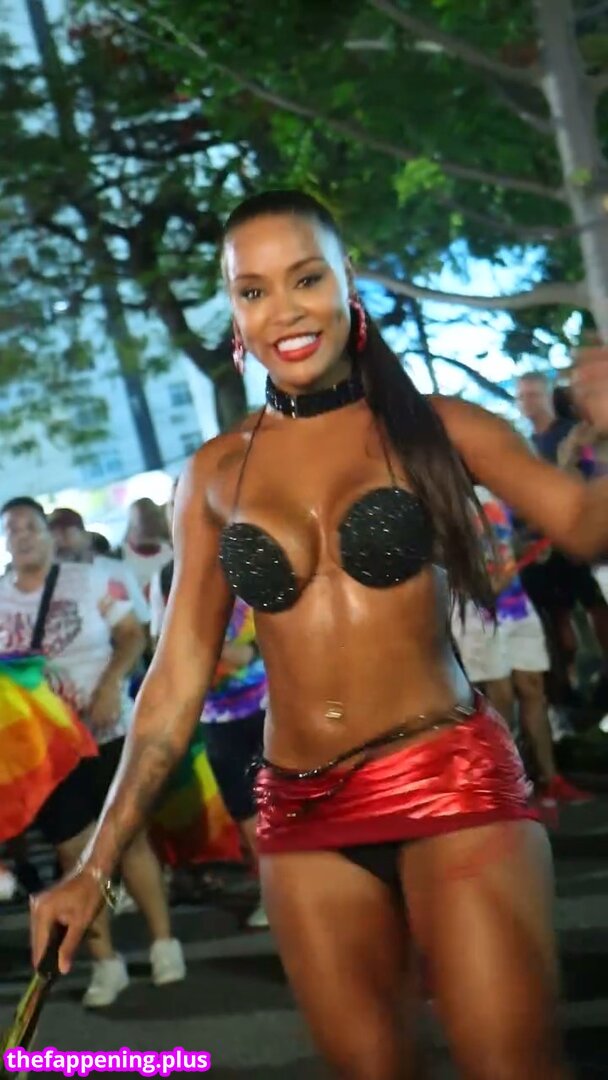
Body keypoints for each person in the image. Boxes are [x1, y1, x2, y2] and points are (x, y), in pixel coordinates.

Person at [31, 189, 608, 1080]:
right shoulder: (215, 473)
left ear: (347, 283)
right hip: (300, 815)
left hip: (449, 784)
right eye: (253, 291)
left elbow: (584, 526)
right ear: (234, 312)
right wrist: (94, 867)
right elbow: (176, 679)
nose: (285, 311)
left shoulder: (438, 427)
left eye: (306, 279)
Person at [1, 497, 185, 1007]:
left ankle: (164, 942)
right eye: (12, 529)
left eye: (31, 526)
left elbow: (131, 636)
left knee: (129, 839)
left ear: (47, 533)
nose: (23, 535)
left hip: (106, 731)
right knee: (72, 854)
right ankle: (107, 962)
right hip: (47, 749)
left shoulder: (91, 579)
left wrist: (107, 687)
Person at [150, 482, 269, 928]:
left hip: (270, 701)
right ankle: (272, 889)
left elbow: (277, 626)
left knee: (295, 798)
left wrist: (240, 651)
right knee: (244, 808)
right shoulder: (167, 577)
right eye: (176, 504)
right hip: (215, 714)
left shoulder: (251, 553)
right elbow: (162, 644)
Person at [452, 486, 586, 809]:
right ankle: (511, 787)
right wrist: (481, 581)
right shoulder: (447, 494)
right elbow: (443, 556)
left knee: (533, 687)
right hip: (476, 610)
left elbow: (505, 541)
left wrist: (525, 548)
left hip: (515, 604)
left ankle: (550, 780)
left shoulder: (496, 494)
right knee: (500, 697)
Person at [515, 371, 608, 704]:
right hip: (543, 546)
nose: (528, 402)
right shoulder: (523, 446)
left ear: (548, 396)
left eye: (534, 395)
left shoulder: (574, 434)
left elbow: (591, 479)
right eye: (522, 396)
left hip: (583, 538)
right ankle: (569, 689)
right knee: (559, 618)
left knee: (597, 606)